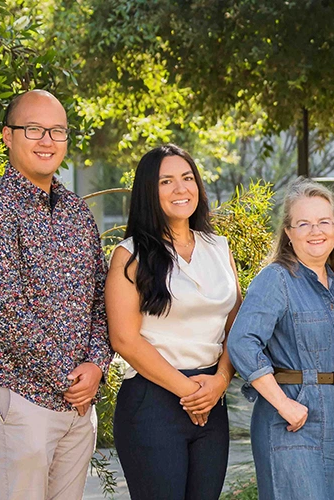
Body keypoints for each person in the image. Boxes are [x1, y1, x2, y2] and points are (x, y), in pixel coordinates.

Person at [0, 89, 112, 500]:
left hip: (77, 405)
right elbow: (3, 310)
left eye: (57, 131)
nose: (47, 140)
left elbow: (102, 298)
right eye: (33, 129)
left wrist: (96, 364)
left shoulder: (77, 213)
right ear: (8, 136)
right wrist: (67, 375)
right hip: (20, 398)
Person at [106, 144, 238, 500]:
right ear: (150, 191)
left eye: (187, 177)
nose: (181, 189)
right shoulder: (130, 255)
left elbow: (235, 327)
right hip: (153, 403)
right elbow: (124, 340)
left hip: (212, 402)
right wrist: (190, 390)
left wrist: (219, 382)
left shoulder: (219, 247)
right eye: (167, 181)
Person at [227, 180, 334, 500]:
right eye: (304, 223)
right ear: (288, 232)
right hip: (291, 425)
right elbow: (242, 342)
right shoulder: (277, 278)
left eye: (324, 221)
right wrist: (284, 404)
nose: (316, 231)